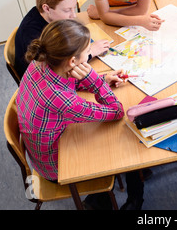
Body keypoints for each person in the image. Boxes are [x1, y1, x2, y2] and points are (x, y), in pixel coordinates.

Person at [16, 19, 144, 210]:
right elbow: (116, 111)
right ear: (72, 62)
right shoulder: (61, 100)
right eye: (87, 51)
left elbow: (67, 82)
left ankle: (105, 197)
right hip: (59, 166)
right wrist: (95, 81)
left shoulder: (40, 62)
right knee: (128, 141)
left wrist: (103, 79)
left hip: (43, 150)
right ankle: (126, 200)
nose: (89, 53)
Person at [14, 0, 110, 79]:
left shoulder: (50, 17)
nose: (73, 15)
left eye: (74, 7)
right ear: (46, 8)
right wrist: (90, 52)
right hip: (44, 84)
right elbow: (58, 71)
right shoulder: (32, 34)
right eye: (67, 10)